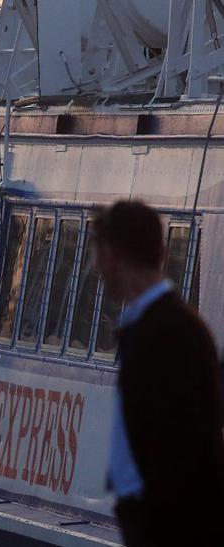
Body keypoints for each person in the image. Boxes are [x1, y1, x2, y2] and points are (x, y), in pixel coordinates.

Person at [95, 201, 224, 547]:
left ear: (112, 256)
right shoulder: (162, 326)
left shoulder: (165, 333)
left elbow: (180, 449)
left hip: (168, 526)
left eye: (98, 255)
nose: (96, 266)